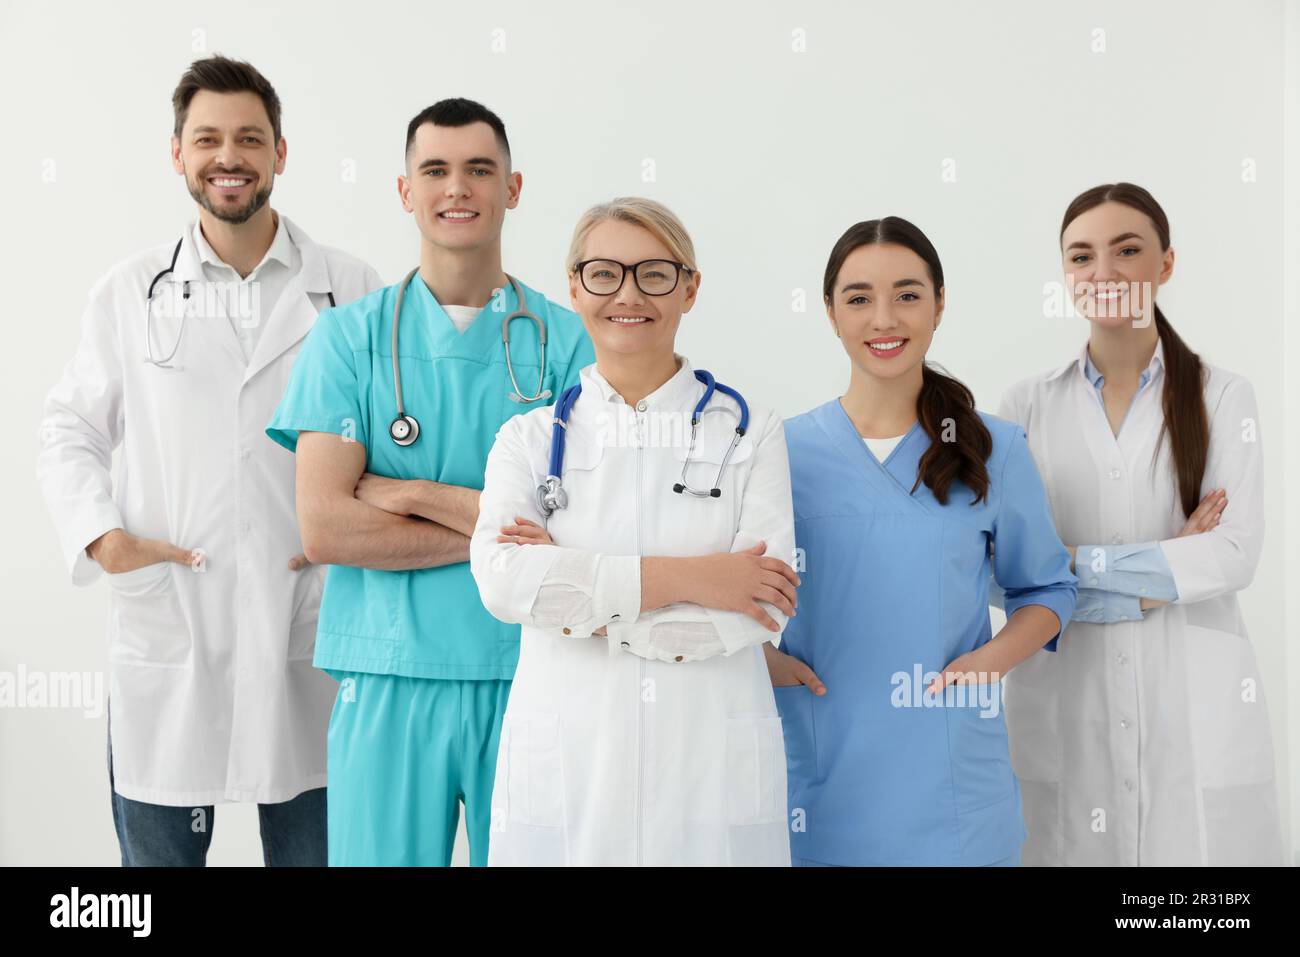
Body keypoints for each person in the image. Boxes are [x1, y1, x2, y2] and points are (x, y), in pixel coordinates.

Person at [37, 55, 383, 866]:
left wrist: (351, 529)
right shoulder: (129, 292)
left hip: (310, 627)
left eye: (249, 139)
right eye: (208, 139)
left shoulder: (350, 289)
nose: (229, 156)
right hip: (172, 625)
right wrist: (102, 537)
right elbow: (67, 428)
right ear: (178, 154)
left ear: (281, 154)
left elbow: (398, 442)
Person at [266, 99, 594, 866]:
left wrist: (402, 490)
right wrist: (502, 535)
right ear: (405, 191)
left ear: (512, 189)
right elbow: (325, 528)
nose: (458, 188)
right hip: (386, 679)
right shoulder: (348, 337)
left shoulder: (566, 341)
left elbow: (579, 533)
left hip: (531, 676)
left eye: (480, 170)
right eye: (436, 170)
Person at [469, 197, 799, 866]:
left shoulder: (751, 433)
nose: (627, 293)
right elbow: (504, 584)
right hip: (571, 770)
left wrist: (582, 597)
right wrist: (698, 578)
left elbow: (760, 608)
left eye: (653, 273)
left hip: (706, 768)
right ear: (574, 285)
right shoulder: (529, 441)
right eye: (603, 272)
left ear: (689, 288)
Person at [768, 217, 1077, 866]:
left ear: (940, 302)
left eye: (907, 294)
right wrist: (756, 662)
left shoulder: (994, 449)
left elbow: (1046, 588)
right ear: (830, 312)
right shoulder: (780, 453)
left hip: (955, 792)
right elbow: (726, 591)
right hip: (822, 780)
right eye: (858, 298)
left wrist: (991, 660)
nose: (884, 318)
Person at [998, 182, 1284, 865]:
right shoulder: (1024, 405)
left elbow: (1235, 553)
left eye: (1128, 250)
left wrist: (1073, 569)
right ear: (1066, 274)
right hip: (1066, 708)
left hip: (1191, 714)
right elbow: (1006, 572)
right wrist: (1167, 565)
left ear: (1167, 264)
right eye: (1082, 256)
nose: (1105, 273)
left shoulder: (1223, 395)